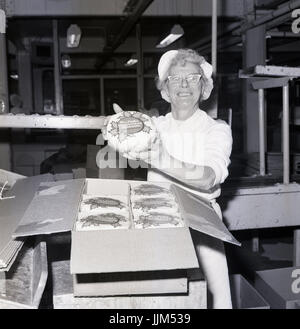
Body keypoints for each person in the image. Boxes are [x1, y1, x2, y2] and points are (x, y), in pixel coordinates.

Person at [100, 48, 233, 309]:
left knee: (219, 298)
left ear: (204, 89)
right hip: (157, 222)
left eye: (193, 78)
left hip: (202, 223)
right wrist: (120, 127)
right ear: (164, 90)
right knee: (161, 300)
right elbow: (131, 134)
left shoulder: (216, 130)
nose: (184, 85)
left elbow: (208, 179)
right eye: (175, 79)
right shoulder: (156, 126)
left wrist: (160, 158)